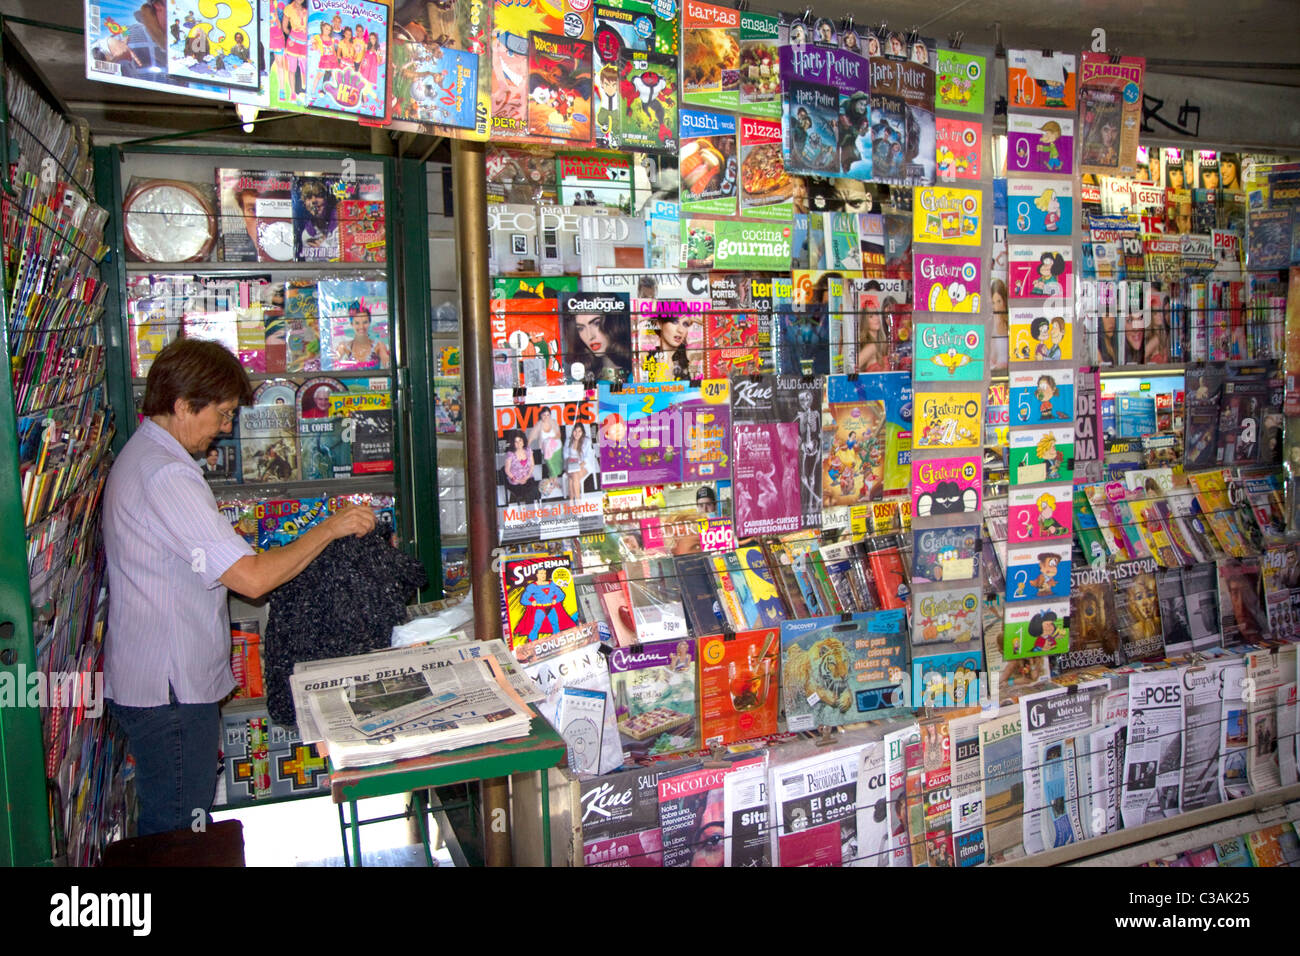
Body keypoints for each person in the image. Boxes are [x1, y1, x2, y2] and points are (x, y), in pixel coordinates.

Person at [103, 339, 375, 837]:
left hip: (157, 682)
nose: (225, 430)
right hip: (170, 691)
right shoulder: (166, 475)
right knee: (179, 833)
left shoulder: (147, 454)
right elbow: (252, 580)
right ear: (184, 405)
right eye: (222, 414)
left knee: (174, 822)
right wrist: (329, 528)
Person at [568, 308, 632, 384]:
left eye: (596, 323)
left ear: (614, 323)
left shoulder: (636, 374)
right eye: (580, 328)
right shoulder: (581, 379)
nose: (590, 336)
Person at [334, 303, 390, 369]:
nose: (361, 327)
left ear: (369, 323)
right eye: (357, 323)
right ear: (352, 324)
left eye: (365, 322)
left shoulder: (379, 346)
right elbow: (331, 365)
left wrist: (388, 361)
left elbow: (387, 362)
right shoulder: (344, 347)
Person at [296, 177, 339, 259]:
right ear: (304, 203)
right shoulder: (306, 234)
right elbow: (310, 267)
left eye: (318, 195)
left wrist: (324, 248)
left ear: (326, 199)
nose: (314, 201)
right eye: (309, 197)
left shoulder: (340, 224)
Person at [502, 429, 539, 502]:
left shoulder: (528, 450)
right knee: (527, 493)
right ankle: (529, 510)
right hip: (515, 480)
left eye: (520, 441)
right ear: (513, 443)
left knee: (532, 491)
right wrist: (518, 480)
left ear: (523, 441)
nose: (518, 443)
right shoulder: (510, 454)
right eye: (516, 441)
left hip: (527, 477)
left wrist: (527, 476)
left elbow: (532, 464)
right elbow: (507, 470)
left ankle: (530, 510)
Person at [564, 422, 596, 502]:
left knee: (573, 477)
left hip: (584, 465)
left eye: (579, 431)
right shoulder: (568, 440)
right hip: (570, 465)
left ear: (582, 432)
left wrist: (578, 466)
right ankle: (577, 502)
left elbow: (588, 458)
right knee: (574, 476)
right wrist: (570, 464)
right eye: (575, 431)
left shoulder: (586, 441)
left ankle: (572, 500)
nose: (577, 433)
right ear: (572, 431)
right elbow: (565, 455)